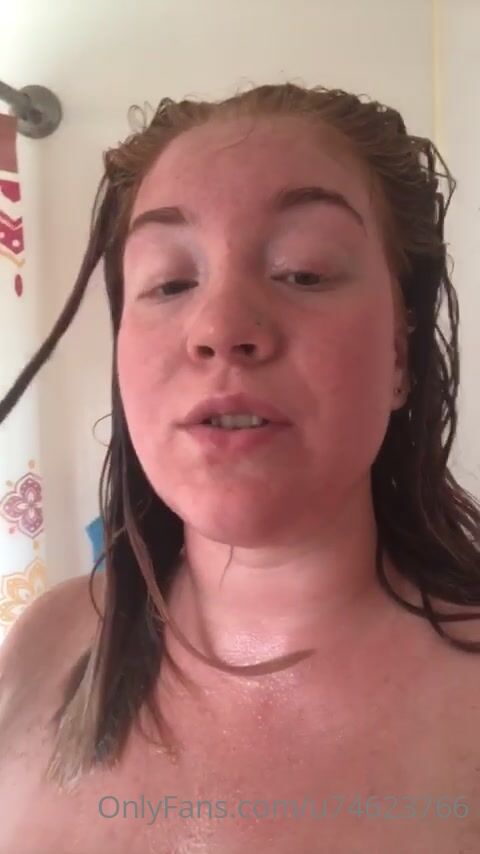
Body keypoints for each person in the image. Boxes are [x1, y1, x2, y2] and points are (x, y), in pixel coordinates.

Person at [0, 80, 480, 853]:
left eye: (304, 271)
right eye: (169, 282)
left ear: (400, 356)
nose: (221, 326)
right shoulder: (42, 646)